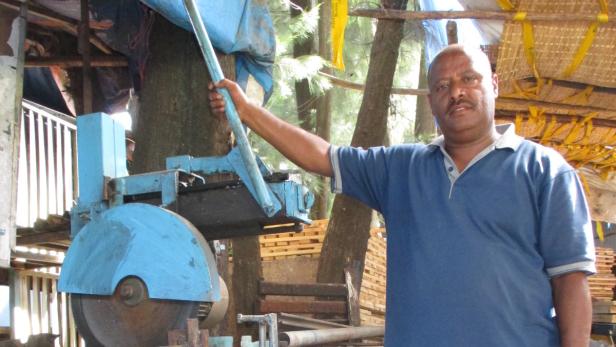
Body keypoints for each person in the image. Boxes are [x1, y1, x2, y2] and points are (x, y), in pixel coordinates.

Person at [209, 44, 595, 347]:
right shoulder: (402, 169)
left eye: (469, 79)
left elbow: (571, 283)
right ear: (431, 102)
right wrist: (247, 112)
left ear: (493, 84)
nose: (456, 92)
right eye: (442, 86)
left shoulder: (545, 171)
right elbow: (323, 155)